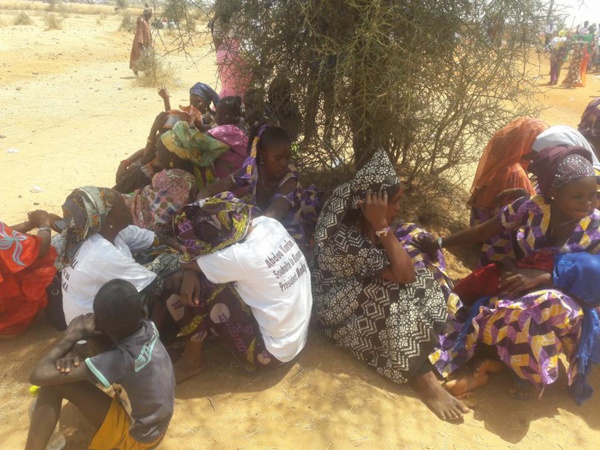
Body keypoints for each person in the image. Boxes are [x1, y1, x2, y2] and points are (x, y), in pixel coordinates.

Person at [421, 146, 600, 402]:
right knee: (474, 304)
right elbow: (487, 230)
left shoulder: (596, 227)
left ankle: (526, 373)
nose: (588, 203)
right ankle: (494, 363)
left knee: (540, 304)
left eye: (593, 195)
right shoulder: (531, 208)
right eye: (578, 196)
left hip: (568, 304)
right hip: (520, 286)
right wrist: (440, 244)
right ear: (552, 193)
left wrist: (548, 277)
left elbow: (594, 281)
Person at [311, 149, 469, 421]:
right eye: (393, 202)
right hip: (332, 304)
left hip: (360, 279)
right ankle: (423, 378)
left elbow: (406, 271)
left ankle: (430, 350)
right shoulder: (344, 237)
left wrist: (381, 225)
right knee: (389, 296)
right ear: (371, 203)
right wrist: (382, 225)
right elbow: (402, 276)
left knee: (421, 277)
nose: (397, 209)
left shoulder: (357, 199)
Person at [170, 197, 312, 383]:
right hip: (295, 340)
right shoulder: (269, 225)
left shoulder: (240, 255)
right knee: (218, 275)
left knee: (197, 286)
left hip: (270, 353)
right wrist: (194, 269)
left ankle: (192, 360)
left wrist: (190, 273)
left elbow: (186, 262)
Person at [25, 280, 175, 450]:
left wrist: (70, 338)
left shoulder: (119, 360)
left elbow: (37, 376)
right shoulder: (148, 327)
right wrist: (76, 349)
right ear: (142, 312)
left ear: (100, 326)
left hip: (137, 438)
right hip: (154, 426)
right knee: (61, 378)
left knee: (54, 384)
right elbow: (109, 348)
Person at [54, 187, 183, 326]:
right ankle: (150, 338)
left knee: (163, 252)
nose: (129, 208)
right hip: (97, 338)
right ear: (109, 221)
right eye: (123, 208)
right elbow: (160, 287)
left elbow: (156, 238)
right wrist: (190, 269)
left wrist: (181, 247)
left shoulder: (93, 233)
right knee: (172, 268)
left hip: (93, 319)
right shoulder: (101, 253)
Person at [197, 125, 320, 251]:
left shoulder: (290, 181)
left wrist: (228, 222)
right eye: (278, 158)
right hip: (257, 234)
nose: (284, 163)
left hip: (285, 242)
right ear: (262, 154)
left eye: (287, 158)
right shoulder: (252, 170)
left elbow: (268, 221)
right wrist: (206, 206)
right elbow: (207, 192)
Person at [123, 121, 231, 234]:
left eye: (158, 150)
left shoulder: (174, 179)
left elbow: (158, 222)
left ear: (173, 157)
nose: (156, 154)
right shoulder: (187, 174)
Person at [468, 117, 548, 266]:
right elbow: (529, 210)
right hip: (495, 239)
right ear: (529, 144)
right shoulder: (516, 173)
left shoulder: (505, 162)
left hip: (479, 226)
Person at [0, 211, 56, 337]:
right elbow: (40, 248)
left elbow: (5, 233)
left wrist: (29, 224)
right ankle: (13, 317)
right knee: (46, 260)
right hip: (5, 308)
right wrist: (44, 224)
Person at [206, 96, 249, 179]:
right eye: (217, 113)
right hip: (244, 177)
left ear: (236, 115)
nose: (218, 117)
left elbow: (201, 137)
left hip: (232, 184)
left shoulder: (226, 131)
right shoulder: (242, 125)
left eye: (224, 114)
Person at [129, 8, 153, 76]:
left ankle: (147, 73)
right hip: (140, 42)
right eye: (149, 14)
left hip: (147, 42)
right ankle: (135, 70)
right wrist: (141, 44)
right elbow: (139, 32)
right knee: (139, 57)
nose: (150, 16)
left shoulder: (149, 21)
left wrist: (150, 43)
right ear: (145, 14)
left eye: (151, 15)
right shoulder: (141, 21)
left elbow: (149, 33)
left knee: (147, 57)